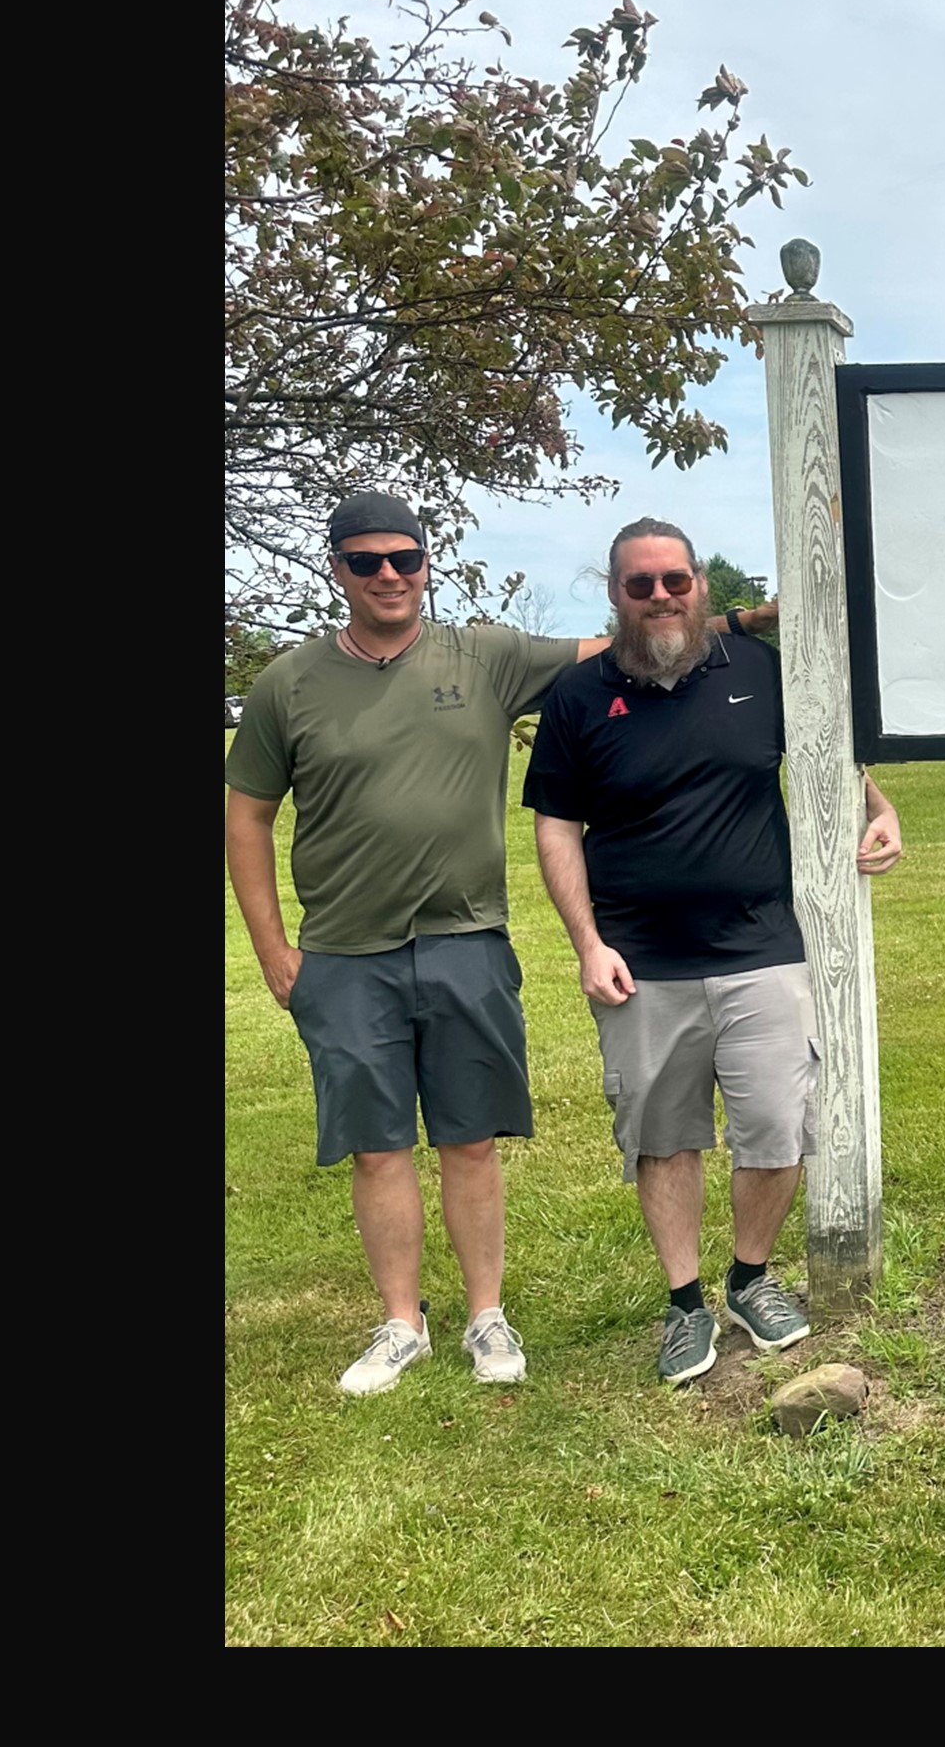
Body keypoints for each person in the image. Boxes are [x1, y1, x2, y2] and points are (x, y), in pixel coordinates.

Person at [226, 491, 776, 1397]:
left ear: (426, 562)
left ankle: (487, 1316)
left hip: (465, 938)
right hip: (344, 949)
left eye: (405, 558)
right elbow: (246, 818)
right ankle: (401, 1322)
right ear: (339, 570)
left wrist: (752, 617)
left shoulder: (479, 654)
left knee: (471, 1138)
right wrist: (272, 949)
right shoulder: (290, 683)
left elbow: (632, 636)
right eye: (367, 562)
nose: (390, 575)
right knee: (376, 1146)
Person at [524, 517, 903, 1386]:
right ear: (614, 594)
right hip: (639, 962)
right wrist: (586, 943)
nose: (661, 597)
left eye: (675, 581)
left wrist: (879, 809)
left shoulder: (762, 673)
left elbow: (825, 760)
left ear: (699, 584)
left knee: (775, 1124)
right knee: (664, 1137)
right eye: (640, 585)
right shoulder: (579, 699)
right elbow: (556, 827)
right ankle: (685, 1302)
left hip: (763, 947)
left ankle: (751, 1279)